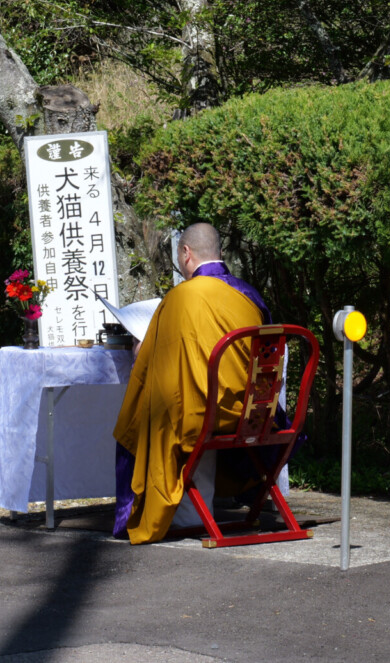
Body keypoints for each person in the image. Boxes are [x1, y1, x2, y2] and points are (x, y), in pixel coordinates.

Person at [112, 222, 271, 544]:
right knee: (189, 401)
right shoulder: (250, 295)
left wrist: (139, 347)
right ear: (219, 253)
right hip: (253, 414)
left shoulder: (182, 296)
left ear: (186, 253)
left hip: (203, 417)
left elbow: (152, 358)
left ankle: (174, 515)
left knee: (154, 413)